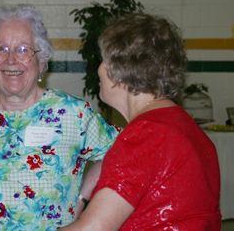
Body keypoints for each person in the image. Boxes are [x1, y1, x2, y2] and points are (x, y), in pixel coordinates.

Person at [0, 4, 118, 230]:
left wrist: (83, 199)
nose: (11, 60)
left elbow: (118, 150)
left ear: (41, 60)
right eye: (1, 48)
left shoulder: (73, 113)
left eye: (23, 49)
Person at [61, 13, 221, 230]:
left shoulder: (145, 135)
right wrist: (82, 195)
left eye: (104, 59)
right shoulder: (185, 128)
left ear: (120, 71)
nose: (99, 68)